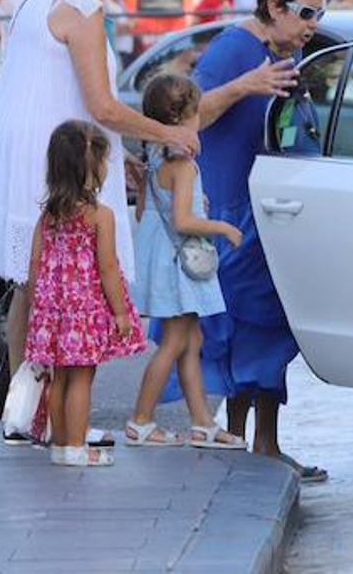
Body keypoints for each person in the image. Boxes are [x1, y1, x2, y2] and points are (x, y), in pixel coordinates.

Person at [0, 0, 204, 443]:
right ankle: (56, 424)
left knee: (33, 284)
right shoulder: (82, 6)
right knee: (72, 286)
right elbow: (101, 105)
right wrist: (169, 133)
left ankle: (28, 411)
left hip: (23, 148)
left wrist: (121, 161)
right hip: (56, 155)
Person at [184, 0, 327, 482]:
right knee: (240, 327)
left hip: (274, 210)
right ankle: (236, 442)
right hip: (232, 212)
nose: (313, 24)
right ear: (275, 7)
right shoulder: (234, 49)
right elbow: (190, 114)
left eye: (317, 13)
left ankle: (266, 444)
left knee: (272, 327)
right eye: (307, 12)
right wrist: (246, 84)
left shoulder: (286, 53)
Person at [126, 75, 247, 450]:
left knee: (191, 341)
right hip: (180, 263)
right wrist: (223, 227)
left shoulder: (156, 154)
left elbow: (151, 208)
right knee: (176, 342)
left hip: (168, 259)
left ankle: (202, 423)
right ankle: (141, 419)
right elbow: (183, 220)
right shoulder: (183, 164)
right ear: (186, 117)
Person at [26, 121, 147, 466]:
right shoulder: (99, 216)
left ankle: (62, 446)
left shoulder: (47, 216)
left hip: (53, 310)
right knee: (82, 377)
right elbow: (107, 267)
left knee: (61, 376)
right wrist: (120, 312)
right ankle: (78, 448)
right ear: (90, 168)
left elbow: (35, 264)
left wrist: (42, 307)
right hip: (85, 310)